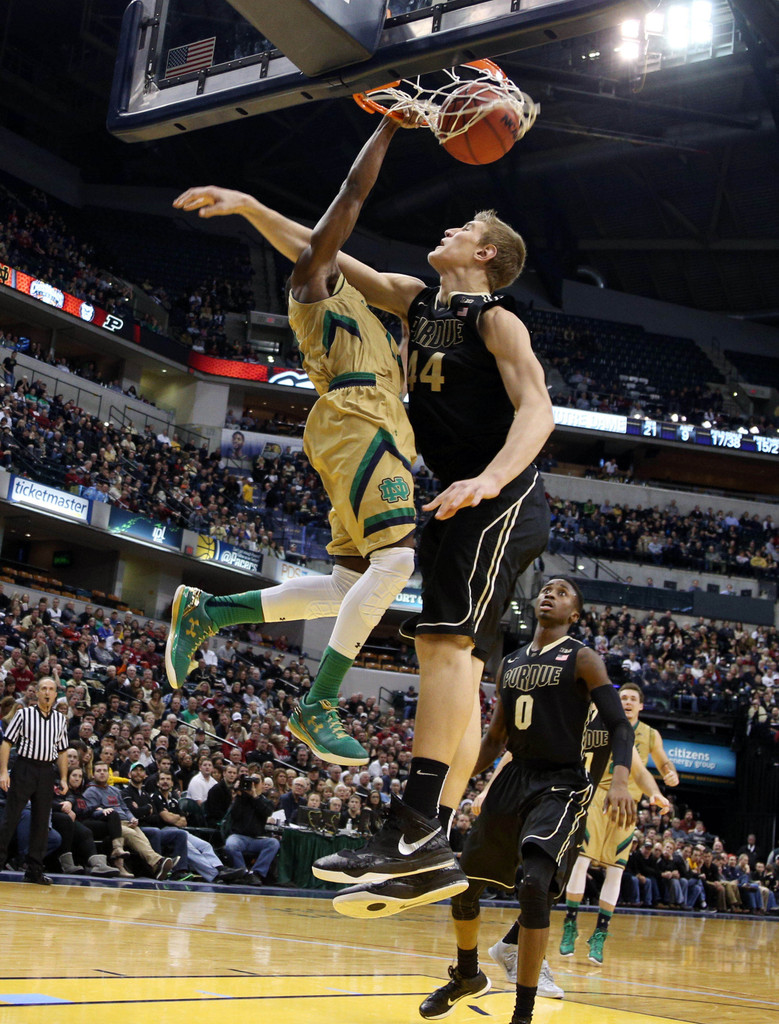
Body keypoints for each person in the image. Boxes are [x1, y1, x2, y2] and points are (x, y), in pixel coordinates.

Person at [175, 123, 555, 914]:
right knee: (461, 671)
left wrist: (488, 479)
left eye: (464, 229)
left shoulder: (496, 320)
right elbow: (319, 248)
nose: (447, 231)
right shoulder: (415, 301)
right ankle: (430, 845)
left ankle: (412, 832)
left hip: (497, 498)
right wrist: (249, 205)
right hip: (458, 497)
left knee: (442, 650)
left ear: (485, 254)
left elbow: (538, 412)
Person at [169, 116, 418, 767]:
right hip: (354, 420)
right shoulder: (310, 286)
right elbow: (348, 200)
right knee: (397, 563)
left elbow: (314, 237)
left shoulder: (354, 297)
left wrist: (252, 206)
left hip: (378, 427)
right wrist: (389, 127)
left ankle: (209, 613)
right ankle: (319, 703)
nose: (326, 247)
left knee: (346, 584)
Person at [385, 578, 635, 1024]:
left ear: (575, 614)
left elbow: (619, 725)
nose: (549, 593)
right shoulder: (512, 662)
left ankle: (523, 1013)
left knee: (535, 886)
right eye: (546, 588)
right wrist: (447, 782)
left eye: (561, 592)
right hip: (515, 776)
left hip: (561, 783)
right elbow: (495, 738)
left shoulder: (583, 658)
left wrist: (619, 781)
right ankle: (466, 974)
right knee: (463, 886)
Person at [560, 678, 679, 963]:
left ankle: (600, 934)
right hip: (596, 796)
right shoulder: (601, 722)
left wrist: (665, 778)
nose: (627, 702)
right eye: (623, 698)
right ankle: (570, 924)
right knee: (581, 861)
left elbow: (653, 766)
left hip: (627, 805)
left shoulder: (649, 734)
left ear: (641, 706)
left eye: (632, 699)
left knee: (616, 870)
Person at [0, 677, 68, 884]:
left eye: (51, 689)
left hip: (47, 771)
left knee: (41, 821)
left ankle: (34, 870)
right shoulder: (23, 714)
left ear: (56, 694)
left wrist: (64, 778)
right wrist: (3, 772)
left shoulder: (60, 719)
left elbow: (62, 751)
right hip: (25, 767)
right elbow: (6, 743)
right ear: (37, 692)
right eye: (43, 688)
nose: (47, 692)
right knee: (11, 817)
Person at [82, 762, 174, 880]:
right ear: (93, 774)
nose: (102, 773)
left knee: (143, 839)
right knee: (132, 834)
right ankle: (158, 861)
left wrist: (132, 818)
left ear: (108, 774)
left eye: (104, 770)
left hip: (127, 821)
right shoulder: (90, 791)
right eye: (98, 771)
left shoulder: (115, 790)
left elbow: (125, 808)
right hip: (111, 823)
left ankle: (156, 868)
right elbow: (90, 812)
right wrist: (102, 811)